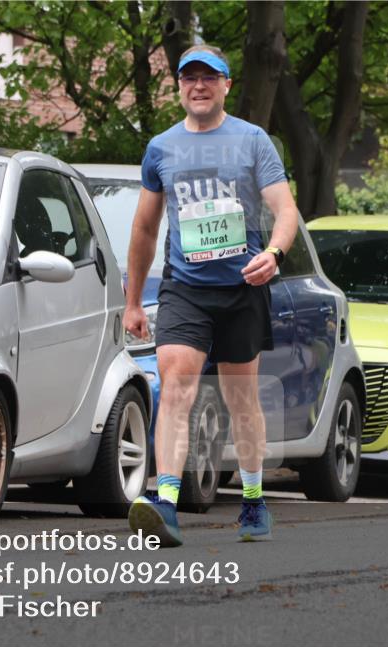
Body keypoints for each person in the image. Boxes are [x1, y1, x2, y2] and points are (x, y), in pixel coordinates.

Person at [123, 44, 300, 547]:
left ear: (226, 85)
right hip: (185, 289)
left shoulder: (252, 140)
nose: (198, 86)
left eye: (208, 77)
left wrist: (274, 254)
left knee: (240, 397)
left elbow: (284, 209)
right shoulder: (161, 147)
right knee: (176, 385)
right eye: (188, 78)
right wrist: (133, 301)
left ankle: (252, 501)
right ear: (179, 87)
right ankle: (167, 504)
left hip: (243, 285)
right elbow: (144, 227)